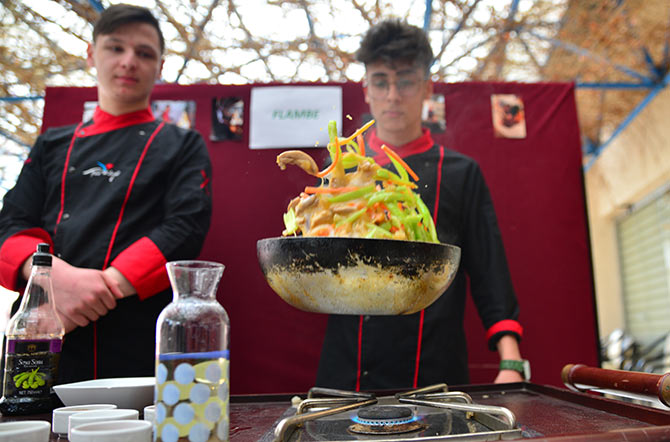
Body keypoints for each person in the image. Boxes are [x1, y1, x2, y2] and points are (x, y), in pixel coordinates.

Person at [0, 4, 212, 384]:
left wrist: (97, 290)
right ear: (91, 54)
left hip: (138, 339)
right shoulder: (51, 144)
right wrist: (57, 282)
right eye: (116, 48)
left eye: (144, 53)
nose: (129, 61)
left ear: (159, 67)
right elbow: (10, 226)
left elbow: (185, 227)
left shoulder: (181, 144)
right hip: (43, 330)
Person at [316, 18, 526, 390]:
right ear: (367, 90)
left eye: (406, 81)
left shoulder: (460, 172)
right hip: (346, 372)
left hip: (433, 373)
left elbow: (489, 269)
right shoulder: (342, 171)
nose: (393, 95)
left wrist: (511, 360)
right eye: (381, 81)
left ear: (427, 88)